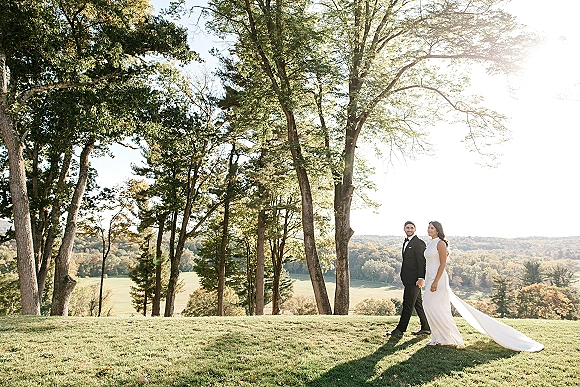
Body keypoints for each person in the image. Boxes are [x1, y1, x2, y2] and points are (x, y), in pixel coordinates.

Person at [423, 221, 543, 352]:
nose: (429, 230)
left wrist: (435, 281)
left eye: (432, 228)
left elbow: (442, 264)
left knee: (432, 305)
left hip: (438, 279)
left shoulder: (440, 243)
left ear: (438, 230)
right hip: (429, 277)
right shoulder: (431, 243)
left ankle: (447, 337)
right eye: (428, 227)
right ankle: (437, 336)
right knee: (430, 307)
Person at [386, 221, 430, 336]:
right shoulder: (406, 242)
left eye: (411, 228)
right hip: (407, 279)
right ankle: (426, 327)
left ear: (415, 229)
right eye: (407, 228)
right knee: (417, 304)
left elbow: (422, 262)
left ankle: (400, 330)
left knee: (407, 304)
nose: (409, 230)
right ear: (404, 229)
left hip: (415, 280)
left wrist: (421, 278)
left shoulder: (419, 243)